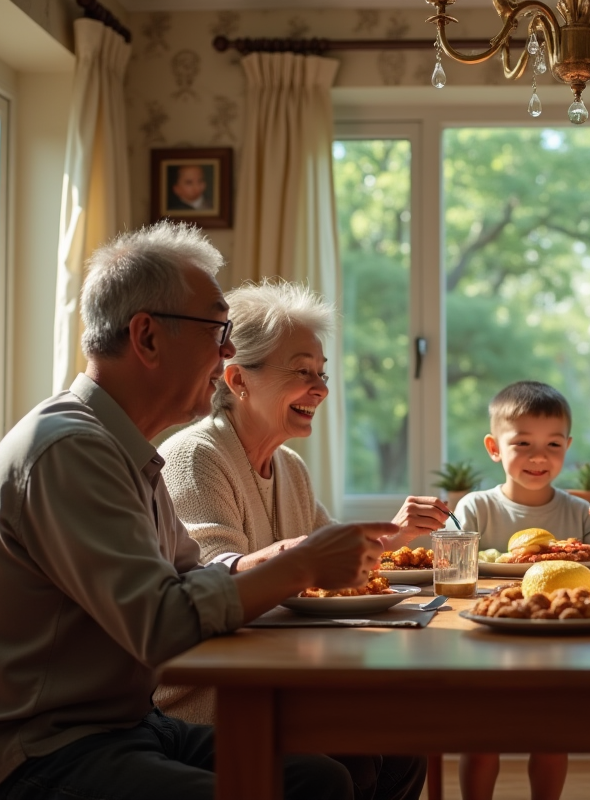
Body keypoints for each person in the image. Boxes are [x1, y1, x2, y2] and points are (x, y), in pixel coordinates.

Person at [0, 221, 415, 800]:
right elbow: (161, 625)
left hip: (122, 726)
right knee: (315, 785)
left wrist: (275, 561)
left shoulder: (123, 449)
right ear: (147, 337)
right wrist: (299, 565)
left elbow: (187, 575)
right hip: (36, 749)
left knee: (322, 776)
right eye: (217, 330)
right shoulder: (71, 450)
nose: (228, 350)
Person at [152, 279, 435, 793]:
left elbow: (337, 556)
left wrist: (394, 534)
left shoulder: (290, 466)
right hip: (218, 691)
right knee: (356, 765)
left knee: (405, 748)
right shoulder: (195, 456)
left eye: (322, 374)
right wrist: (310, 557)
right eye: (302, 372)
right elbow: (219, 581)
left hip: (289, 672)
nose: (321, 388)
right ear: (237, 379)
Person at [452, 379, 590, 800]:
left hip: (560, 639)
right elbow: (454, 570)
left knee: (552, 739)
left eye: (554, 445)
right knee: (482, 741)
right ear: (494, 447)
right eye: (522, 443)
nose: (539, 456)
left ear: (568, 447)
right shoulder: (475, 507)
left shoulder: (581, 513)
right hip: (489, 636)